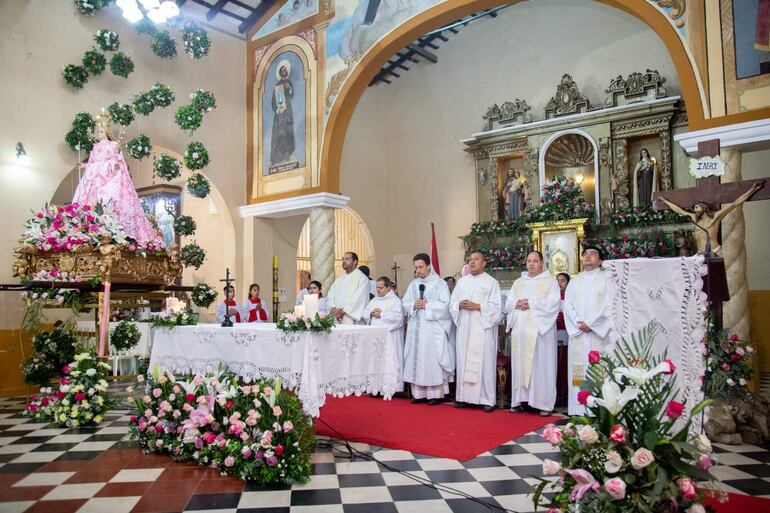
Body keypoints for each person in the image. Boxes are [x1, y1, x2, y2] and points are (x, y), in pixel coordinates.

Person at [72, 115, 164, 247]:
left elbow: (117, 161)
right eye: (98, 131)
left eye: (102, 131)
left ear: (107, 133)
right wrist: (85, 166)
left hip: (109, 179)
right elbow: (93, 162)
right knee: (90, 203)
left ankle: (116, 232)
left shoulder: (113, 145)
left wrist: (113, 164)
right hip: (94, 179)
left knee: (111, 202)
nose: (99, 133)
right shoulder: (95, 147)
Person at [505, 251, 561, 416]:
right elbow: (508, 304)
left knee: (541, 366)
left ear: (542, 263)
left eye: (535, 261)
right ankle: (520, 401)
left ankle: (543, 403)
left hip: (539, 333)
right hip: (521, 332)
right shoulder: (518, 282)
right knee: (520, 364)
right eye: (528, 261)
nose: (531, 264)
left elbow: (553, 304)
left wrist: (531, 304)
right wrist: (516, 303)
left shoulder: (551, 282)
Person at [564, 246, 617, 416]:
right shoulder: (575, 280)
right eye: (585, 254)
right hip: (579, 333)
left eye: (592, 254)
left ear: (600, 261)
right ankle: (578, 409)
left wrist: (592, 324)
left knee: (600, 369)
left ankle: (599, 409)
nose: (587, 256)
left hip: (598, 335)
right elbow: (568, 305)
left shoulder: (607, 279)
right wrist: (579, 324)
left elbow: (609, 305)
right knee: (578, 371)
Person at [450, 251, 502, 412]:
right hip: (465, 327)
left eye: (476, 259)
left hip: (482, 328)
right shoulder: (462, 282)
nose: (472, 262)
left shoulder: (491, 282)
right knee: (464, 360)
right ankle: (463, 397)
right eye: (470, 260)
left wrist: (478, 306)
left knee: (484, 363)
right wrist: (458, 305)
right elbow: (452, 303)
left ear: (484, 263)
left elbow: (497, 308)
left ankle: (486, 399)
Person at [403, 253, 455, 405]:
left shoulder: (440, 284)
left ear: (429, 266)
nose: (418, 270)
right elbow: (404, 302)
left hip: (432, 329)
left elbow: (446, 305)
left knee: (430, 359)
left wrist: (427, 305)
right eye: (416, 267)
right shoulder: (413, 284)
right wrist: (413, 304)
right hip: (416, 328)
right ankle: (418, 394)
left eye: (420, 267)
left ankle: (434, 394)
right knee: (416, 358)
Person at [364, 277, 405, 393]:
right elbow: (365, 313)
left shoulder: (395, 300)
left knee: (389, 361)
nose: (378, 290)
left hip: (390, 337)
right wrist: (371, 313)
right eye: (377, 287)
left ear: (388, 288)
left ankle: (393, 388)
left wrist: (381, 314)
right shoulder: (374, 300)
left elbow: (398, 318)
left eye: (381, 287)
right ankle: (376, 388)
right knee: (377, 361)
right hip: (376, 337)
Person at [327, 252, 370, 324]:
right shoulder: (339, 279)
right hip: (336, 318)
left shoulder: (362, 278)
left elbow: (360, 298)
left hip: (350, 318)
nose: (344, 261)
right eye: (343, 259)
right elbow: (330, 295)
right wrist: (333, 309)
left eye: (347, 259)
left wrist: (343, 312)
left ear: (355, 262)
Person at [270, 63, 295, 166]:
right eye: (283, 70)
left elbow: (291, 95)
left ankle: (288, 154)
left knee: (288, 132)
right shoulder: (277, 86)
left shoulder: (288, 83)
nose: (285, 71)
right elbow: (273, 101)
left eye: (286, 70)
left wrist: (289, 88)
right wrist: (277, 109)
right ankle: (275, 159)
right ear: (280, 73)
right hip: (280, 114)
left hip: (288, 112)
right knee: (278, 134)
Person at [555, 272, 571, 407]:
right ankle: (555, 392)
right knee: (555, 364)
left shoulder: (571, 297)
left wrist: (564, 319)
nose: (560, 283)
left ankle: (565, 392)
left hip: (566, 332)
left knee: (564, 363)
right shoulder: (552, 296)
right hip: (553, 332)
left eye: (563, 280)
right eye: (558, 281)